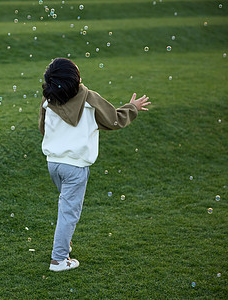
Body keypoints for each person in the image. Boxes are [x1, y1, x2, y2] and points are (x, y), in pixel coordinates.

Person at [39, 58, 151, 272]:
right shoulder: (89, 98)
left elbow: (43, 128)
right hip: (75, 168)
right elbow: (113, 120)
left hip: (53, 163)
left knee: (66, 207)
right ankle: (59, 260)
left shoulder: (48, 99)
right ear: (76, 80)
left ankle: (64, 245)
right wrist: (132, 108)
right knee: (69, 212)